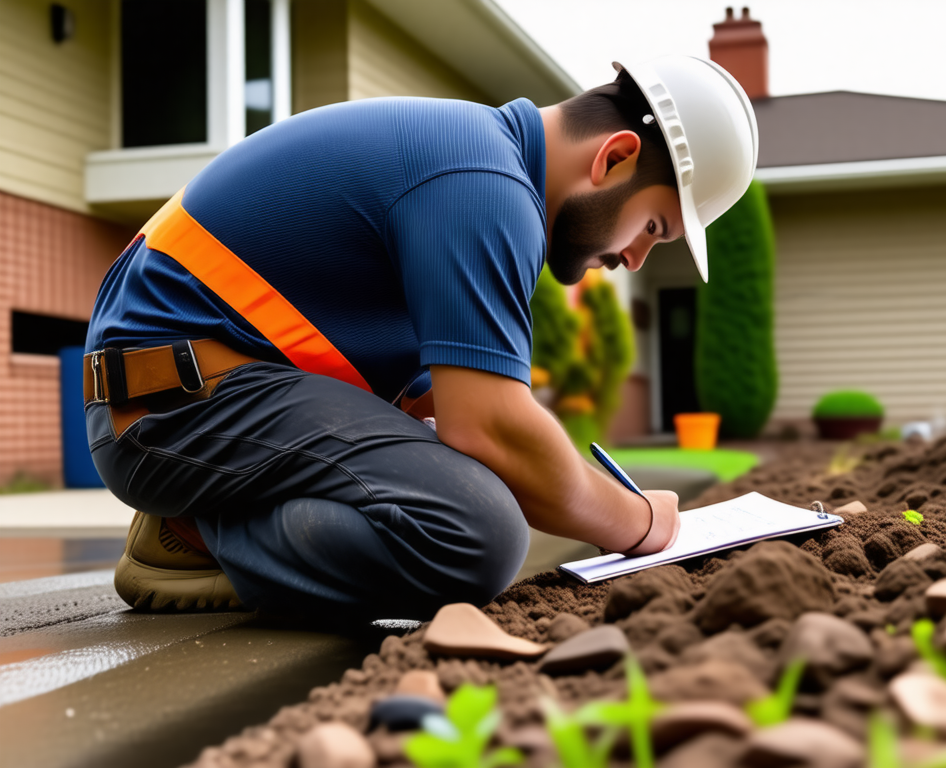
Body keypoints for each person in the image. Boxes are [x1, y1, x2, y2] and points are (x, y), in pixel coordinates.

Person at [84, 56, 758, 620]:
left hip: (198, 384)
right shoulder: (483, 184)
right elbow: (490, 430)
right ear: (615, 158)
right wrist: (638, 522)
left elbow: (468, 415)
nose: (636, 259)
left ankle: (218, 517)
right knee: (476, 533)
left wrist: (523, 453)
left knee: (467, 486)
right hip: (168, 407)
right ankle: (197, 531)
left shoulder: (478, 164)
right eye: (654, 228)